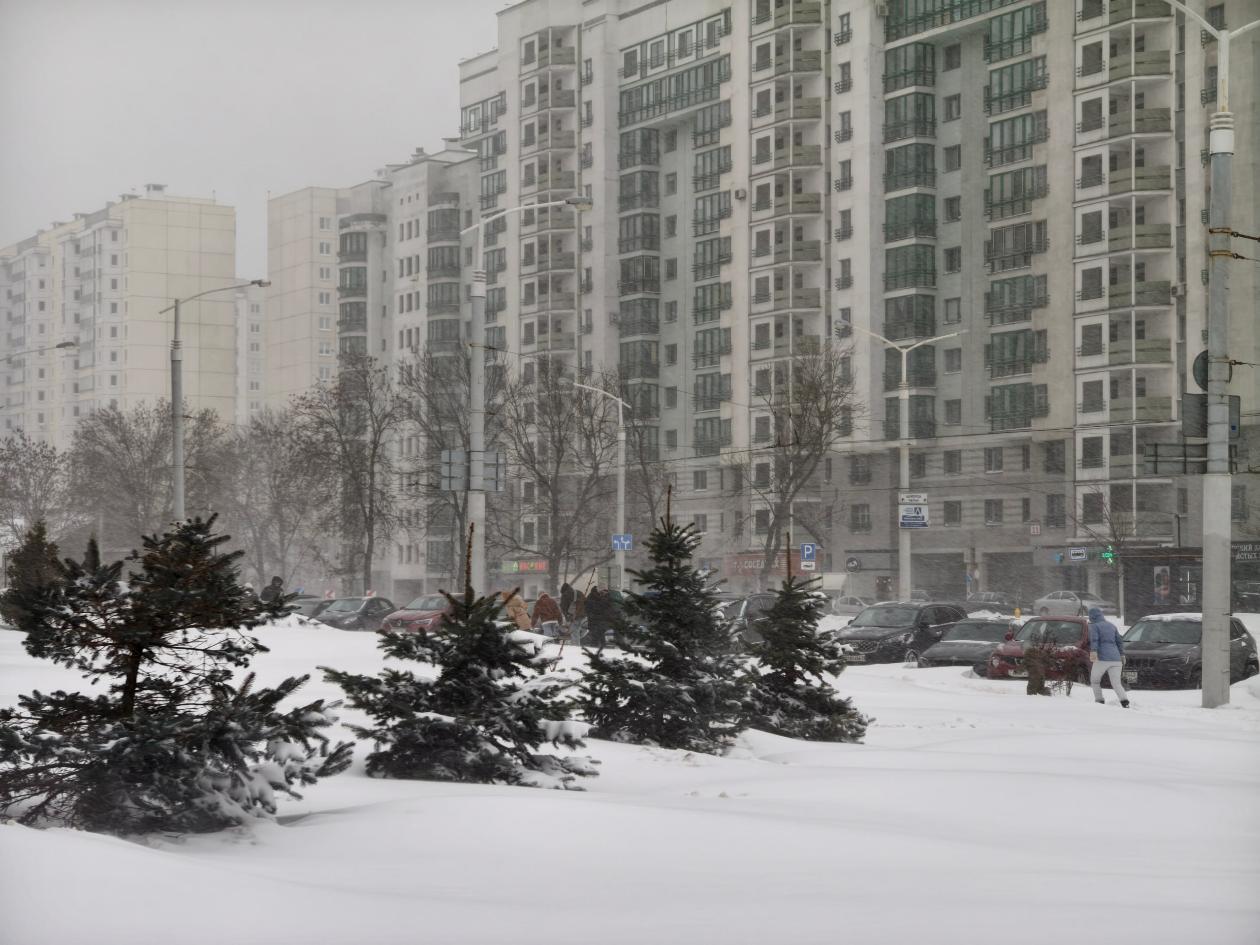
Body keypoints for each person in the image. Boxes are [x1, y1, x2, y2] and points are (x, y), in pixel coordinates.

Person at [1088, 606, 1129, 707]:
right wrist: (1122, 655)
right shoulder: (1112, 626)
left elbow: (1095, 640)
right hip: (1116, 659)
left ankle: (1099, 701)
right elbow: (1119, 642)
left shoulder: (1095, 626)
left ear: (1092, 617)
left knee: (1095, 681)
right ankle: (1125, 702)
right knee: (1116, 683)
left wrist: (1093, 651)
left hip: (1102, 658)